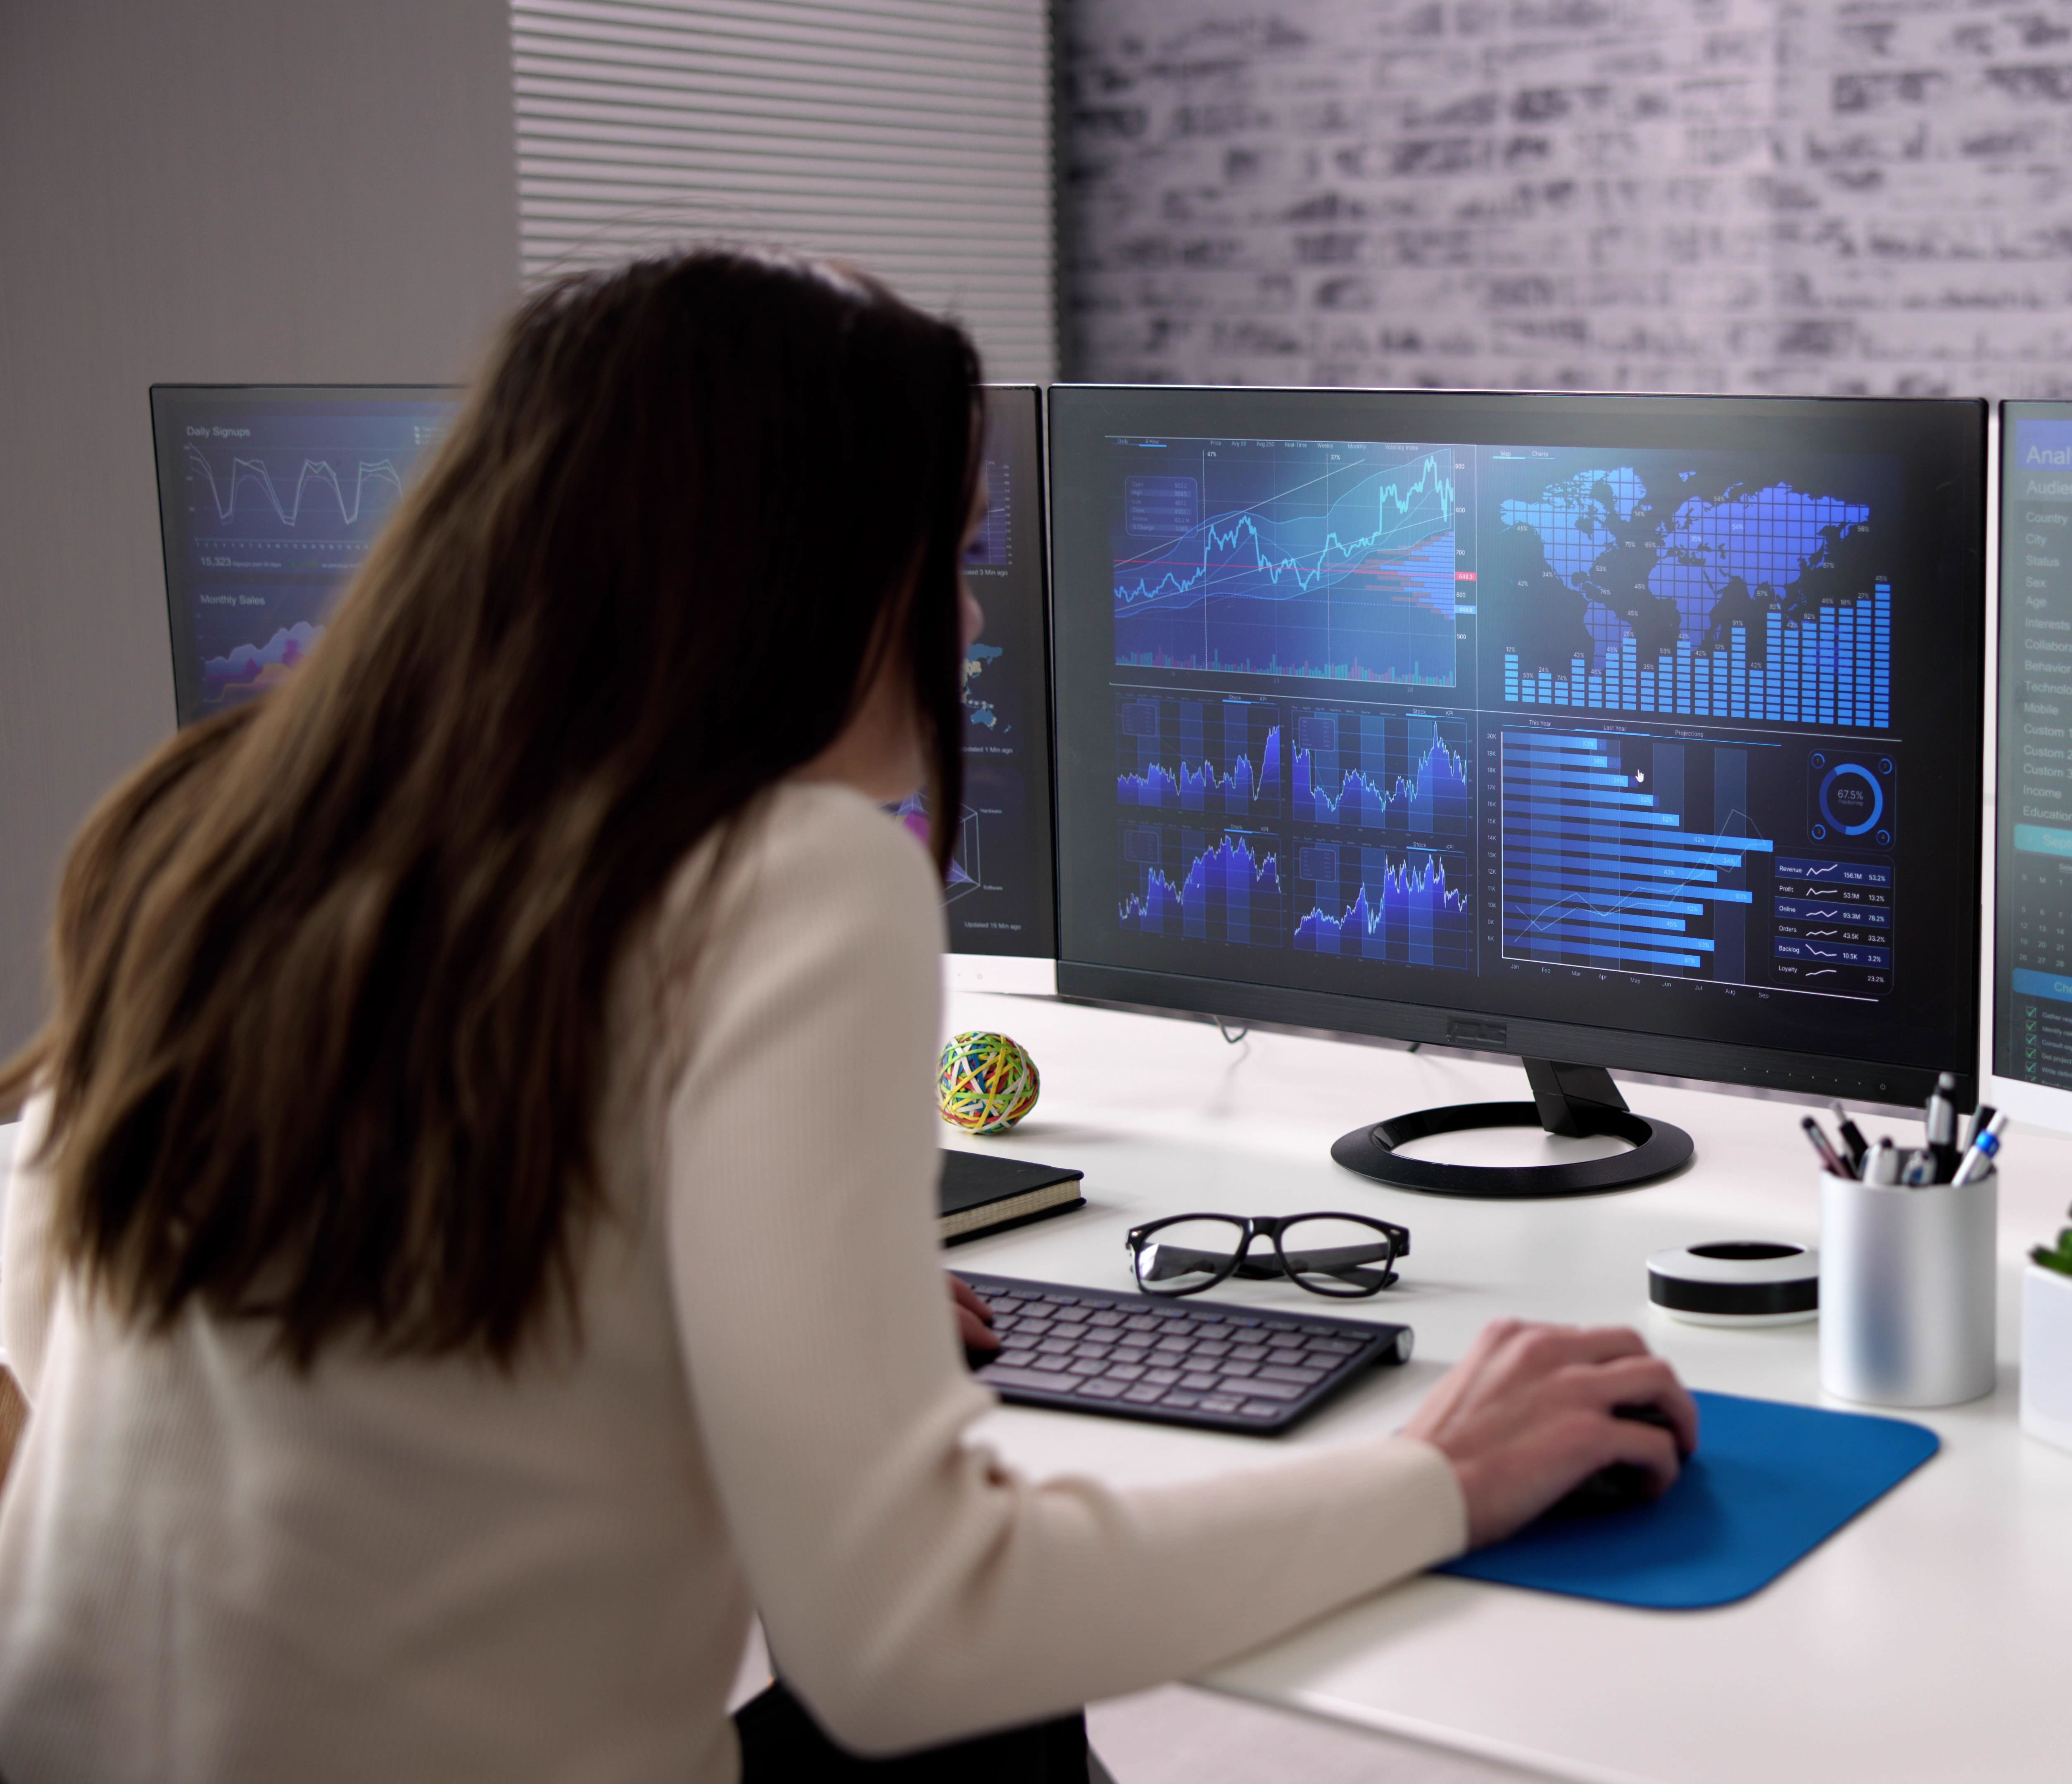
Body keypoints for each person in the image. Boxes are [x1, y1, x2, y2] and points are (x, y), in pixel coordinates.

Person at [0, 249, 1695, 1782]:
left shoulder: (206, 829)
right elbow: (908, 1640)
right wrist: (1437, 1477)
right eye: (940, 561)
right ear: (777, 578)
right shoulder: (788, 877)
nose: (965, 624)